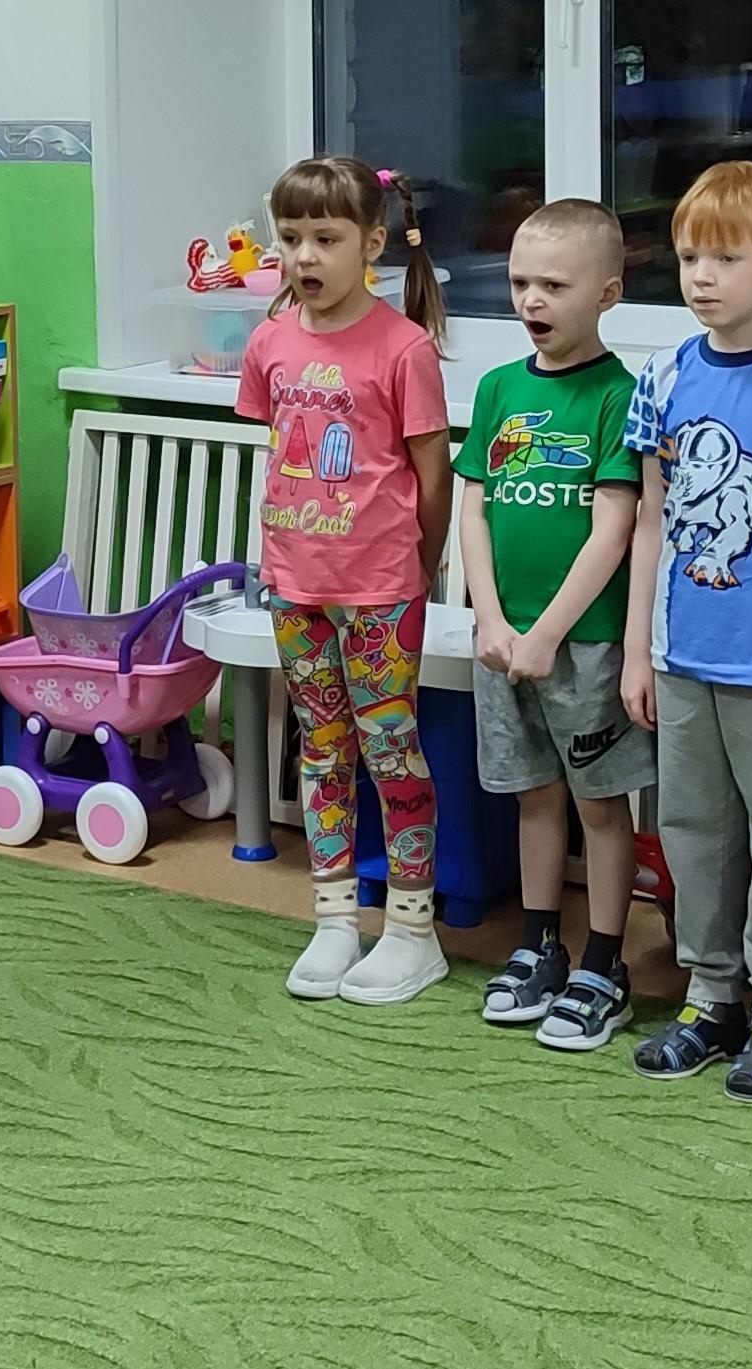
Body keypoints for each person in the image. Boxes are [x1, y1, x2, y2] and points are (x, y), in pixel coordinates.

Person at [620, 162, 752, 1101]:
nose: (701, 277)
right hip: (680, 653)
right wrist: (638, 649)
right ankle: (711, 996)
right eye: (688, 258)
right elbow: (649, 520)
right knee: (692, 828)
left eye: (725, 258)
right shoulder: (662, 373)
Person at [236, 157, 455, 1006]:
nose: (304, 257)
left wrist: (418, 567)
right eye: (291, 238)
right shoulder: (270, 342)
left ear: (371, 243)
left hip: (381, 590)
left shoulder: (405, 348)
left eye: (325, 238)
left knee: (390, 749)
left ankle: (412, 930)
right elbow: (280, 455)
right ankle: (334, 920)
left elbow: (431, 475)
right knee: (321, 749)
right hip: (296, 585)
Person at [454, 200, 653, 1049]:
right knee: (533, 796)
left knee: (599, 805)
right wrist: (493, 619)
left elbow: (615, 531)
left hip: (588, 645)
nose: (531, 300)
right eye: (519, 283)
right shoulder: (498, 388)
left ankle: (604, 964)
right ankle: (538, 946)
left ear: (606, 293)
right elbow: (473, 510)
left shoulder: (620, 396)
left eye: (554, 286)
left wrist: (548, 635)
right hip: (502, 641)